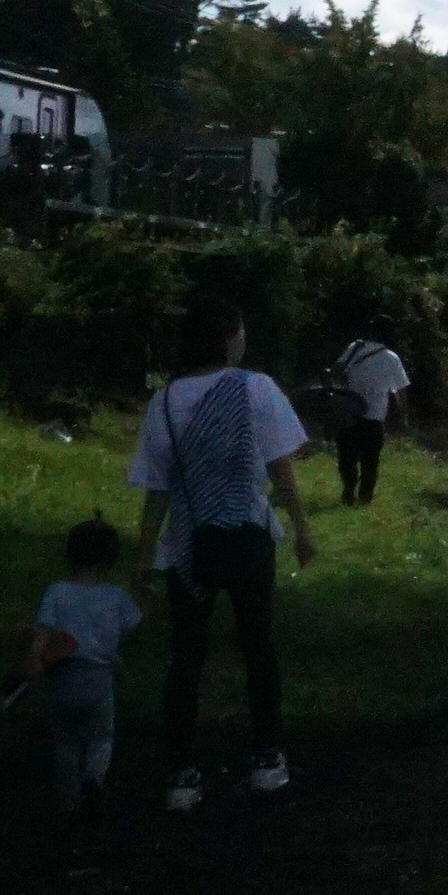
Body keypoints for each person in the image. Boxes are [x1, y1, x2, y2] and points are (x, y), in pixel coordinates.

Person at [128, 293, 319, 809]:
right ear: (229, 338)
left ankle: (181, 775)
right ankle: (265, 758)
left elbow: (157, 487)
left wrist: (144, 556)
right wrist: (302, 528)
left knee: (185, 657)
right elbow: (282, 466)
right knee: (259, 646)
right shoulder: (256, 388)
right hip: (250, 536)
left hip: (189, 543)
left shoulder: (166, 400)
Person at [18, 518, 140, 818]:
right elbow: (137, 619)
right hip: (99, 679)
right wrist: (144, 587)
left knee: (66, 742)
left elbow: (43, 629)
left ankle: (68, 801)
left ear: (69, 556)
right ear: (111, 560)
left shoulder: (57, 592)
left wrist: (35, 660)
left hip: (63, 676)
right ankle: (94, 779)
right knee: (100, 737)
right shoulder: (116, 597)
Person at [329, 323, 411, 507]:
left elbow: (337, 372)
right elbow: (399, 391)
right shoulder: (392, 359)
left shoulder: (355, 347)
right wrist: (403, 416)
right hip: (374, 417)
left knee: (347, 457)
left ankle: (349, 489)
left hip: (349, 412)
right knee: (370, 461)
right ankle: (365, 498)